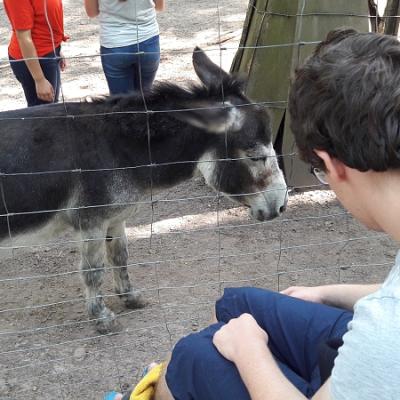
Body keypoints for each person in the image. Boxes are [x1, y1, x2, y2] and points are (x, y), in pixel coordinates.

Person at [105, 28, 400, 400]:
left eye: (319, 174)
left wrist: (250, 351)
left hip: (372, 360)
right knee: (235, 304)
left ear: (332, 166)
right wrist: (326, 293)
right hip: (365, 352)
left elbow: (387, 327)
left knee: (193, 355)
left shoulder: (385, 336)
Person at [84, 0, 165, 95]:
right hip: (147, 41)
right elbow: (159, 7)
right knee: (145, 99)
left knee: (121, 103)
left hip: (115, 44)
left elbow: (92, 12)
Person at [4, 0, 68, 107]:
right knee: (43, 112)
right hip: (34, 60)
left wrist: (56, 49)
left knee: (52, 106)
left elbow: (47, 19)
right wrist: (39, 79)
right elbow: (24, 38)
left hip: (49, 53)